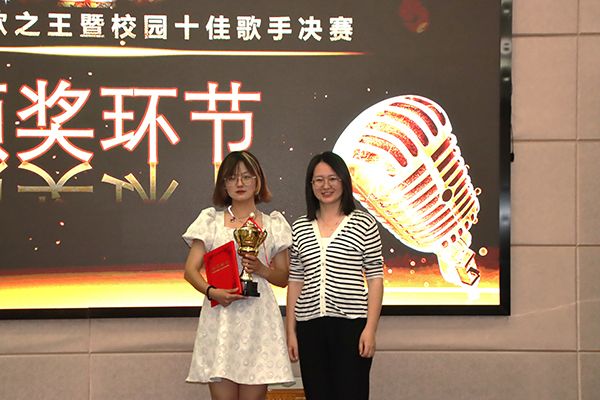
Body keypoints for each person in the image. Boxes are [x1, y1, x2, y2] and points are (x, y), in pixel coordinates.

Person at [183, 150, 294, 400]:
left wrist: (261, 269)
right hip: (220, 317)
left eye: (246, 176)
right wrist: (212, 292)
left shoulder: (274, 224)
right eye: (232, 178)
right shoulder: (210, 221)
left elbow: (283, 278)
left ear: (258, 181)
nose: (240, 183)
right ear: (224, 184)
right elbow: (190, 271)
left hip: (258, 320)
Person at [286, 151, 384, 400]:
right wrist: (291, 331)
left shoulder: (364, 224)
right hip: (309, 327)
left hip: (351, 327)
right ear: (311, 185)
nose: (325, 186)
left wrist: (370, 329)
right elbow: (295, 280)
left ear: (344, 181)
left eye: (332, 179)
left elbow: (375, 279)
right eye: (318, 180)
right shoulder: (299, 227)